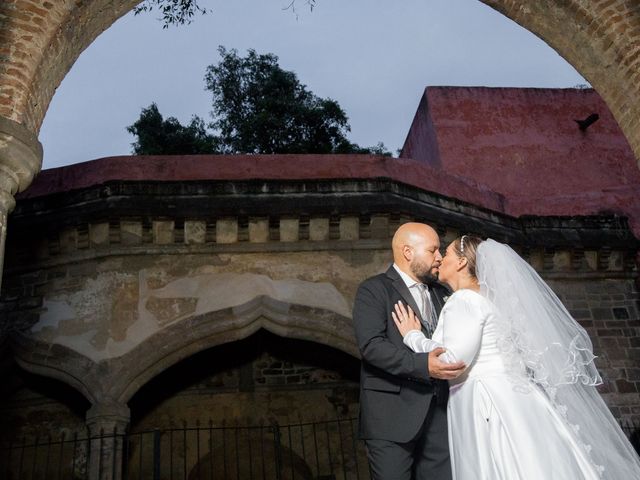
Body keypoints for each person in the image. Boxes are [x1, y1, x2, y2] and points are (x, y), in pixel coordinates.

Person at [393, 235, 640, 479]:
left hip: (484, 400)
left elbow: (453, 361)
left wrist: (413, 336)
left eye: (445, 253)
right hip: (512, 396)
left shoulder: (465, 299)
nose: (439, 259)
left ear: (460, 262)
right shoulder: (488, 300)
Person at [352, 222, 466, 480]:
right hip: (391, 418)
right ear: (407, 252)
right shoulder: (374, 289)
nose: (439, 257)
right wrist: (423, 365)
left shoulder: (442, 292)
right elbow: (371, 346)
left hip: (440, 415)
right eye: (433, 250)